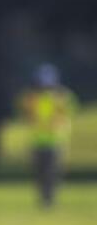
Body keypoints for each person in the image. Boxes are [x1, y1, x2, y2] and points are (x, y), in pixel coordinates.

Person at [18, 63, 78, 208]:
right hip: (37, 141)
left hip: (55, 140)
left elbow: (69, 113)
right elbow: (26, 113)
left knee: (52, 173)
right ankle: (43, 199)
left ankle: (50, 200)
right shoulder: (32, 98)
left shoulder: (63, 97)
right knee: (39, 173)